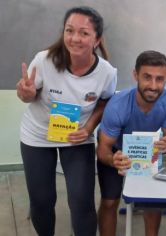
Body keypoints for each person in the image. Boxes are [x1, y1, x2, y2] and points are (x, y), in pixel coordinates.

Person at [16, 6, 117, 236]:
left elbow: (105, 102)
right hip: (37, 136)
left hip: (77, 138)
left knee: (81, 202)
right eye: (69, 31)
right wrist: (26, 93)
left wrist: (89, 128)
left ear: (96, 39)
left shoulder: (107, 73)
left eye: (83, 33)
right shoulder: (44, 61)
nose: (75, 38)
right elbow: (26, 95)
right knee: (42, 201)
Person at [96, 50, 166, 236]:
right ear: (135, 75)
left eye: (160, 79)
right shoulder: (118, 105)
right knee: (110, 201)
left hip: (146, 148)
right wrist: (112, 160)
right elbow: (102, 150)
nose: (153, 85)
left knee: (152, 200)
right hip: (114, 149)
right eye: (147, 77)